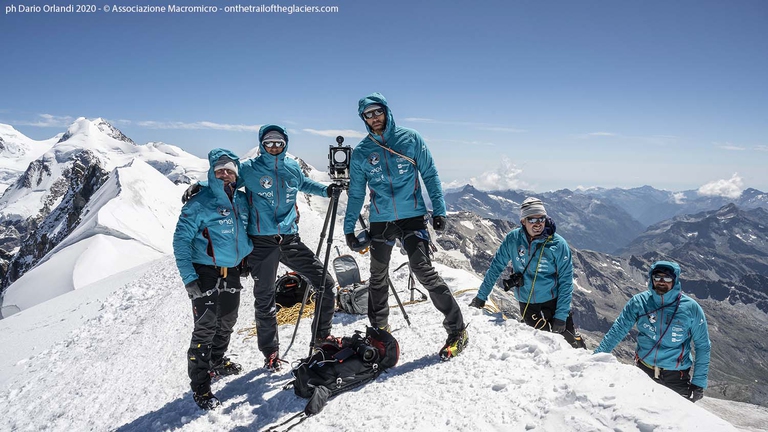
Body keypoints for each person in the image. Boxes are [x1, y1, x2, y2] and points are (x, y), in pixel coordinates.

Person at [344, 92, 468, 360]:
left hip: (412, 216)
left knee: (423, 270)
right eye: (368, 114)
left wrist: (439, 210)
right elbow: (356, 193)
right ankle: (379, 330)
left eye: (377, 111)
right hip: (381, 220)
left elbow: (430, 174)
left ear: (386, 111)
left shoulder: (411, 139)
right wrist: (348, 228)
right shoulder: (362, 152)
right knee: (377, 276)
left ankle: (457, 330)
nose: (374, 118)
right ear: (363, 119)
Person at [241, 124, 340, 371]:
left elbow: (304, 184)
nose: (274, 147)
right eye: (269, 143)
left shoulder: (292, 167)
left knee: (326, 283)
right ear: (262, 144)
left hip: (289, 239)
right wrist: (201, 187)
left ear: (285, 144)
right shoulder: (249, 169)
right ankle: (270, 352)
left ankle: (321, 336)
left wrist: (327, 190)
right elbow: (225, 180)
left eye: (279, 143)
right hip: (261, 241)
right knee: (265, 298)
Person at [173, 148, 253, 410]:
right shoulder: (199, 202)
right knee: (205, 328)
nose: (225, 174)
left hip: (231, 269)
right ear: (212, 173)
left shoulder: (241, 199)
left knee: (227, 321)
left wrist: (245, 258)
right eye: (219, 171)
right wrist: (189, 278)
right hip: (204, 270)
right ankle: (200, 386)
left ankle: (216, 362)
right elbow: (181, 240)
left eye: (230, 170)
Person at [469, 197, 585, 349]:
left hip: (554, 302)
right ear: (523, 221)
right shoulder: (513, 239)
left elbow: (566, 281)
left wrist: (561, 316)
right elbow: (496, 267)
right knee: (542, 349)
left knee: (570, 348)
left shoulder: (558, 244)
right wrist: (481, 297)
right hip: (528, 305)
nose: (538, 224)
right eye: (532, 219)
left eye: (541, 219)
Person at [594, 261, 710, 402]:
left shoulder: (691, 308)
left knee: (672, 415)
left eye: (667, 278)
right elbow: (618, 329)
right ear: (652, 278)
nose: (661, 281)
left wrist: (698, 382)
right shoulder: (639, 302)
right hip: (643, 371)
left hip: (676, 377)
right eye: (657, 277)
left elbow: (702, 345)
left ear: (675, 280)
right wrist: (597, 357)